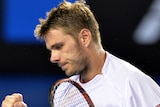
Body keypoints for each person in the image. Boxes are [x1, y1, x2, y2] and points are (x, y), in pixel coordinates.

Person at [1, 0, 160, 107]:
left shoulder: (132, 82)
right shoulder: (64, 92)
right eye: (51, 50)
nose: (53, 57)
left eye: (60, 46)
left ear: (85, 37)